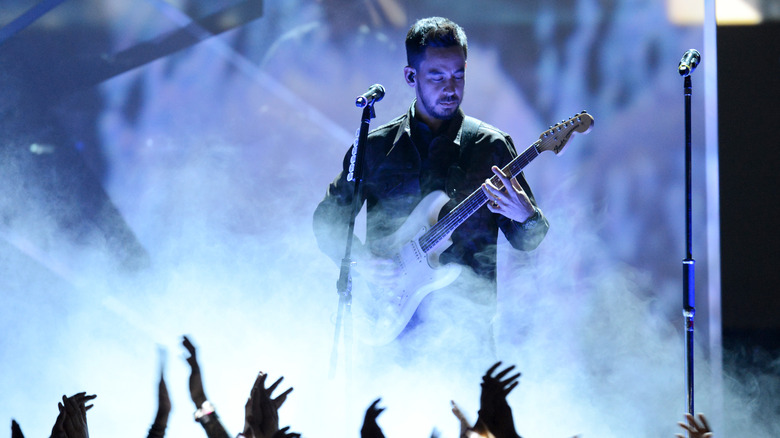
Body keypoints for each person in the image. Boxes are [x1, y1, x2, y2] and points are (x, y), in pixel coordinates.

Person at [312, 17, 549, 358]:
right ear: (412, 77)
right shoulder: (376, 147)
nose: (450, 87)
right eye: (437, 76)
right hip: (389, 333)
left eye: (458, 74)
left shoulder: (490, 147)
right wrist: (362, 262)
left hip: (466, 338)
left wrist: (527, 216)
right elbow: (328, 221)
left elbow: (528, 240)